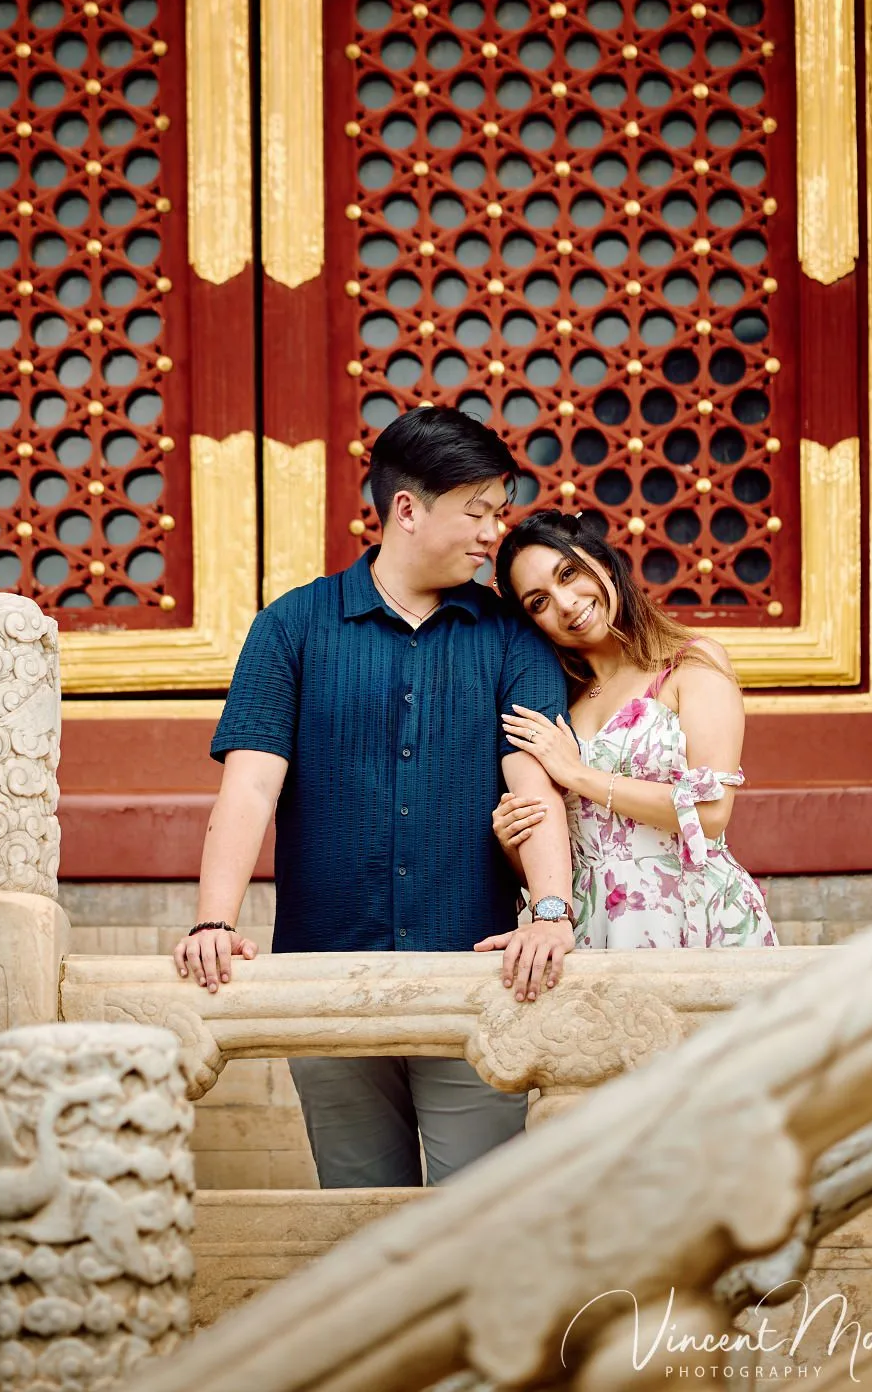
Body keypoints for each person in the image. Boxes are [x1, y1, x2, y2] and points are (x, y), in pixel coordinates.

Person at [172, 406, 577, 1189]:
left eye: (500, 513)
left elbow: (532, 782)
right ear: (406, 509)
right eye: (478, 512)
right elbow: (250, 786)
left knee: (481, 1211)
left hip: (474, 981)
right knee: (359, 1217)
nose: (495, 532)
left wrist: (552, 910)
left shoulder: (509, 637)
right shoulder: (290, 628)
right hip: (323, 981)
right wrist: (213, 921)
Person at [490, 510, 777, 949]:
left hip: (693, 916)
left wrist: (579, 775)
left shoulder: (691, 664)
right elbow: (573, 851)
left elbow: (712, 813)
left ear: (603, 561)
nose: (565, 603)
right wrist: (513, 846)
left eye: (568, 573)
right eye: (539, 602)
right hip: (592, 926)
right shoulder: (557, 701)